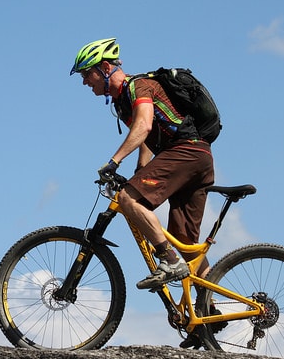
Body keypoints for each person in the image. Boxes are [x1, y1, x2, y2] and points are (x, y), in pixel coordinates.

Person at [70, 38, 215, 290]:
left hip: (186, 151)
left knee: (128, 199)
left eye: (86, 74)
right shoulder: (121, 101)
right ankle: (210, 308)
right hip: (196, 157)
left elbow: (143, 125)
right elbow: (148, 135)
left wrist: (114, 161)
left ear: (105, 68)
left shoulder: (138, 86)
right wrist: (141, 169)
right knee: (186, 244)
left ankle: (169, 261)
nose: (84, 82)